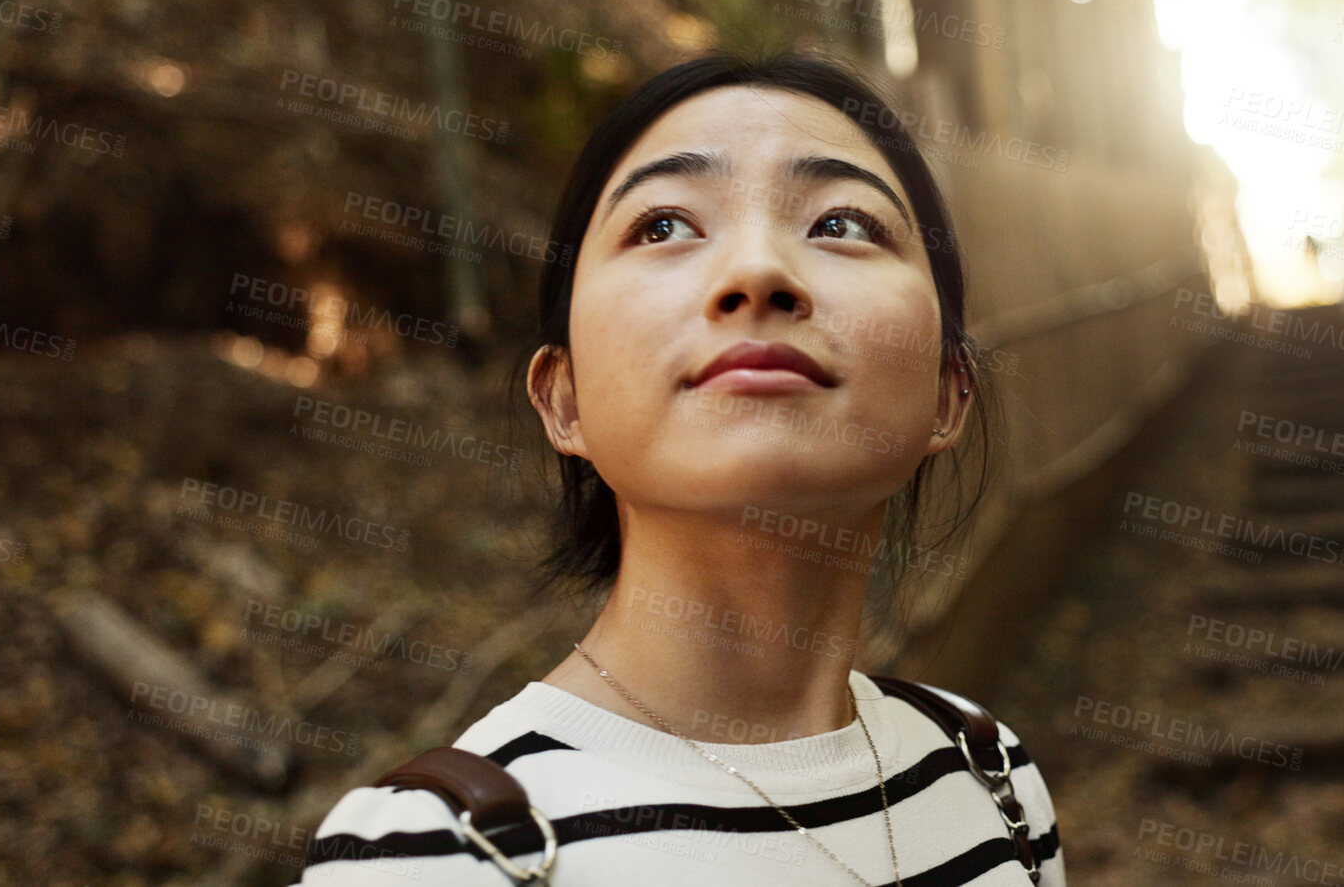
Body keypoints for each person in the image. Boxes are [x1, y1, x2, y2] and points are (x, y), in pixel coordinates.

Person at [293, 52, 1065, 885]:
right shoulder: (434, 859)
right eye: (663, 225)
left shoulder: (988, 774)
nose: (758, 272)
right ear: (565, 397)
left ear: (949, 393)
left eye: (842, 223)